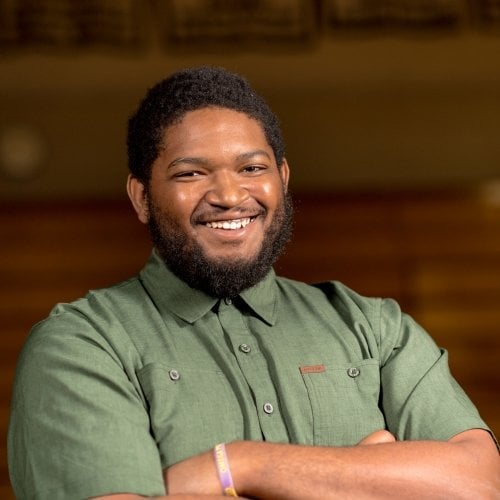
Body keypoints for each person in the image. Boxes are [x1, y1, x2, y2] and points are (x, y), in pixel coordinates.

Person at [8, 66, 499, 500]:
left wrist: (242, 465)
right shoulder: (82, 344)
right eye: (191, 173)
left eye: (252, 168)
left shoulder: (375, 327)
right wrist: (361, 474)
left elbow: (477, 484)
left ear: (282, 179)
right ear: (141, 197)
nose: (228, 194)